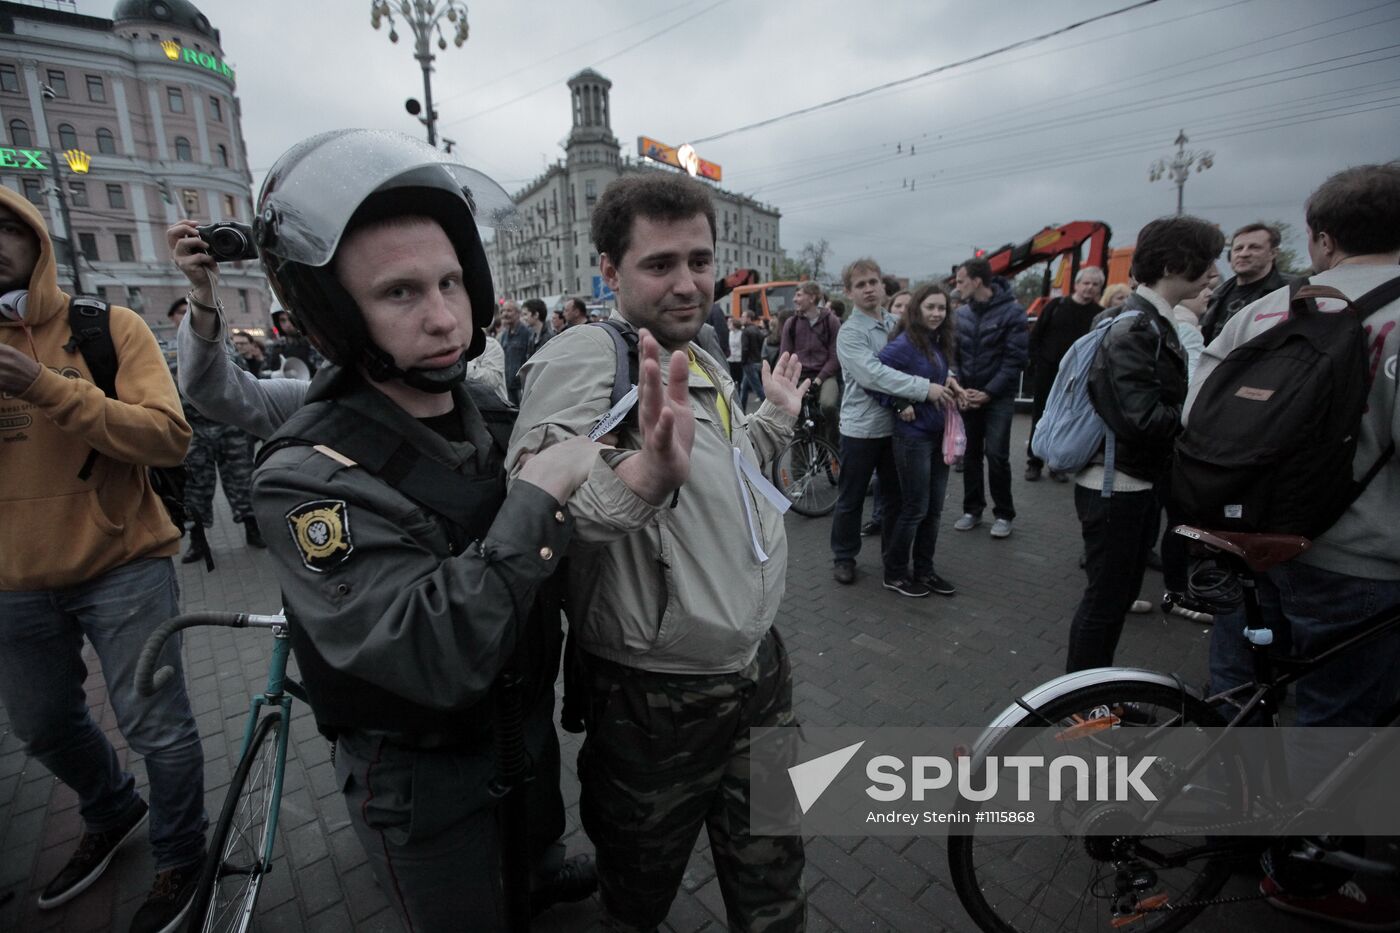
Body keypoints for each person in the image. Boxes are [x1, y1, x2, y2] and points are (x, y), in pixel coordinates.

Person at [175, 130, 601, 931]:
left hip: (525, 727)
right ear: (337, 312)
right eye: (400, 293)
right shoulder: (307, 473)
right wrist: (539, 498)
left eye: (450, 281)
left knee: (535, 856)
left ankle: (539, 873)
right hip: (425, 777)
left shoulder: (494, 417)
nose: (443, 317)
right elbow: (424, 652)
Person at [510, 171, 808, 932]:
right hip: (658, 698)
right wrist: (642, 480)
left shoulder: (697, 349)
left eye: (700, 261)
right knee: (637, 894)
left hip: (758, 673)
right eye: (660, 263)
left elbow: (721, 467)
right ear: (608, 271)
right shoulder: (585, 354)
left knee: (775, 877)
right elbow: (543, 506)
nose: (688, 283)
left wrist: (772, 421)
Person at [1189, 161, 1400, 928]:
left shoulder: (1269, 311)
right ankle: (1306, 868)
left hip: (1246, 539)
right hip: (1361, 560)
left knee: (1240, 687)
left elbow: (1198, 410)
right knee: (1338, 717)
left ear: (1320, 238)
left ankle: (1229, 829)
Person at [0, 188, 206, 932]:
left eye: (5, 229)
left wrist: (48, 388)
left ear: (36, 240)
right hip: (14, 580)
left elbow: (167, 436)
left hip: (123, 562)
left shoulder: (103, 327)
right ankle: (111, 806)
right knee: (42, 725)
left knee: (159, 725)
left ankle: (183, 853)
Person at [1064, 215, 1223, 673]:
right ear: (1175, 264)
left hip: (1129, 482)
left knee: (1112, 601)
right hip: (1117, 487)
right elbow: (1141, 418)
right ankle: (1085, 707)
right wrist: (1201, 410)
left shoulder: (1150, 319)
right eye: (1206, 261)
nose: (1213, 273)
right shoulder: (1137, 327)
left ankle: (1094, 698)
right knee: (1105, 603)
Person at [830, 258, 953, 587]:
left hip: (900, 430)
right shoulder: (850, 333)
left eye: (873, 282)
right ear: (848, 293)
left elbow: (925, 360)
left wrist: (949, 380)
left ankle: (892, 562)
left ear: (884, 286)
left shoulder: (898, 323)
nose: (869, 289)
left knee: (896, 498)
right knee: (852, 496)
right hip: (861, 427)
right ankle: (844, 556)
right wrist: (924, 391)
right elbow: (873, 375)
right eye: (860, 285)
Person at [166, 298, 264, 568]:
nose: (188, 317)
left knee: (241, 479)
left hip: (229, 426)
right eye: (182, 313)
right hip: (194, 430)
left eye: (192, 312)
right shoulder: (168, 351)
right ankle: (198, 540)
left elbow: (242, 382)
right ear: (173, 319)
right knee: (196, 487)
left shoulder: (224, 345)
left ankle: (252, 529)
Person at [878, 282, 959, 597]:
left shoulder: (936, 341)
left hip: (937, 433)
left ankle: (925, 570)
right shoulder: (903, 344)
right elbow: (872, 379)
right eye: (931, 307)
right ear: (917, 310)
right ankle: (895, 572)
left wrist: (953, 385)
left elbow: (936, 377)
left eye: (942, 308)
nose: (937, 313)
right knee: (915, 508)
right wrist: (898, 404)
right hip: (913, 437)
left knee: (934, 509)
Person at [952, 257, 1028, 538]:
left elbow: (1015, 360)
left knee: (996, 455)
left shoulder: (1013, 312)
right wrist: (961, 388)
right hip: (969, 396)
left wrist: (988, 393)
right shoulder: (961, 315)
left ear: (976, 280)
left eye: (961, 281)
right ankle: (972, 510)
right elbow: (954, 356)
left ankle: (1004, 514)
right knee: (970, 455)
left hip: (998, 398)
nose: (958, 287)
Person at [1026, 266, 1105, 482]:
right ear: (1077, 284)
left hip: (1076, 378)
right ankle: (1034, 461)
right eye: (1086, 283)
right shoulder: (1056, 306)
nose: (1089, 288)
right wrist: (1035, 362)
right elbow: (1036, 335)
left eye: (1095, 284)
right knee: (1041, 415)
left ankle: (1057, 464)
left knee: (1067, 419)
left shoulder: (1098, 314)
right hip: (1049, 370)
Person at [1199, 223, 1294, 345]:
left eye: (1254, 247)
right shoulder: (1218, 295)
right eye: (1238, 248)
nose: (1243, 254)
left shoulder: (1290, 291)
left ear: (1273, 253)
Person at [781, 280, 842, 446]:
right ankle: (799, 469)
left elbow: (835, 356)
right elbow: (785, 356)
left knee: (828, 405)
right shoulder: (791, 323)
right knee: (795, 418)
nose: (794, 299)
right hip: (799, 376)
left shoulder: (831, 321)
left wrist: (819, 380)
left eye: (799, 295)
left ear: (812, 298)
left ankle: (833, 445)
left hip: (825, 375)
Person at [497, 300, 532, 405]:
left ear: (518, 313)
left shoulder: (527, 333)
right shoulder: (503, 335)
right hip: (508, 385)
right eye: (503, 311)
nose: (505, 314)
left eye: (509, 311)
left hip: (521, 387)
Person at [271, 307, 320, 376]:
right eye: (283, 320)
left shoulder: (312, 343)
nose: (288, 324)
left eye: (291, 319)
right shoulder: (277, 348)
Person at [738, 306, 768, 411]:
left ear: (749, 318)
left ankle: (770, 409)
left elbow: (745, 349)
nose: (741, 318)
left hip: (749, 363)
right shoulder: (757, 329)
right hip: (757, 362)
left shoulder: (746, 331)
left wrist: (743, 361)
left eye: (743, 317)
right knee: (744, 388)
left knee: (758, 390)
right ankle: (741, 410)